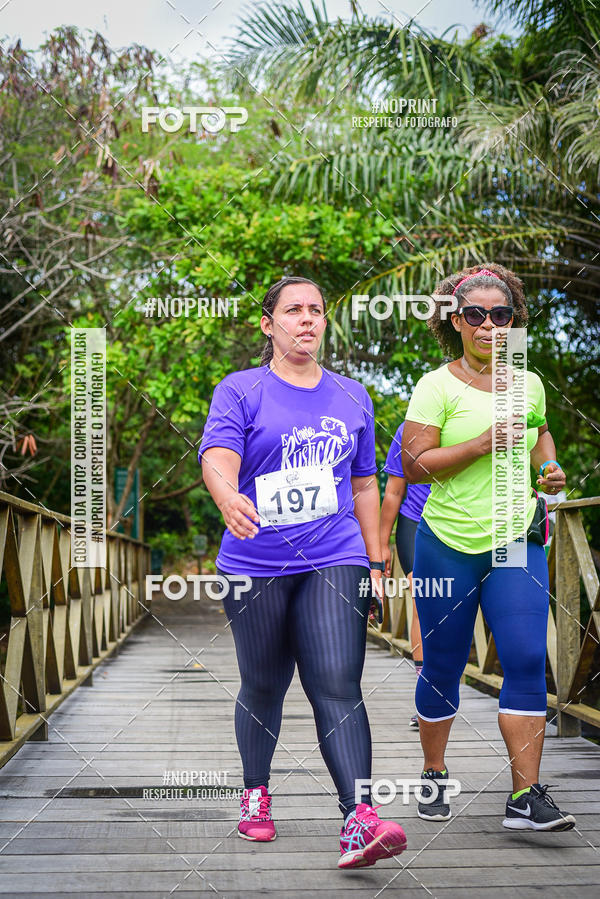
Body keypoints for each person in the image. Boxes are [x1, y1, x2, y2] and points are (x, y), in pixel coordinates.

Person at [199, 276, 407, 868]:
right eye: (294, 310)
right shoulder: (241, 390)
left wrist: (374, 558)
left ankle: (358, 818)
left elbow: (364, 482)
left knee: (337, 681)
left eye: (316, 310)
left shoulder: (352, 395)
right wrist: (226, 497)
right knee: (263, 684)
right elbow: (217, 458)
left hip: (335, 555)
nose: (307, 320)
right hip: (254, 561)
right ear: (269, 325)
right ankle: (257, 794)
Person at [402, 263, 576, 832]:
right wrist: (478, 444)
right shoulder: (436, 385)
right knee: (444, 665)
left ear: (512, 323)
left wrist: (547, 466)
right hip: (448, 543)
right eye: (474, 314)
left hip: (513, 540)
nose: (487, 324)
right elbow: (413, 464)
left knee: (527, 658)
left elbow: (539, 431)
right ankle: (433, 772)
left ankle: (524, 797)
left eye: (499, 315)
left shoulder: (527, 379)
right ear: (455, 321)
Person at [380, 421, 430, 728]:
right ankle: (426, 698)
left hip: (467, 527)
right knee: (423, 598)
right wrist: (381, 544)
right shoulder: (409, 428)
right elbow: (394, 490)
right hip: (415, 523)